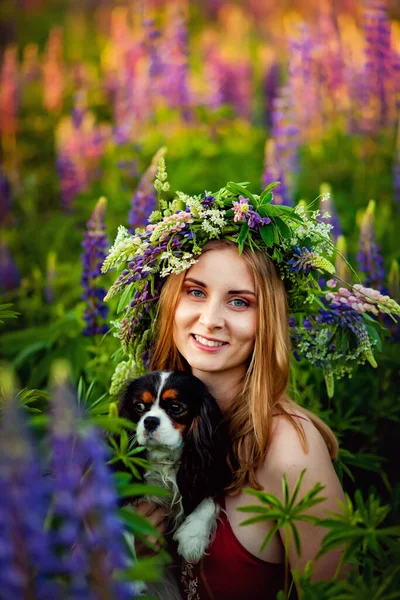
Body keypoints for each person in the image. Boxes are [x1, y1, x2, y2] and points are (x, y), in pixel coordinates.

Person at [103, 176, 397, 599]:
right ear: (171, 300)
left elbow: (341, 592)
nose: (210, 319)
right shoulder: (146, 422)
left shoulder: (290, 449)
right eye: (196, 291)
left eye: (239, 301)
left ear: (268, 320)